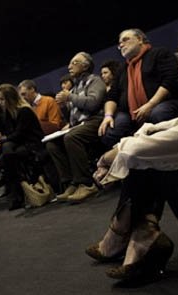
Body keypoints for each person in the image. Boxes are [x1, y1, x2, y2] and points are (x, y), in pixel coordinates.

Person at [86, 23, 178, 281]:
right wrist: (127, 144)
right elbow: (159, 130)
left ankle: (123, 234)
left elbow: (153, 146)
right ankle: (139, 237)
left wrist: (110, 155)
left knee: (151, 157)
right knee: (147, 147)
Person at [98, 28, 178, 149]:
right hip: (131, 112)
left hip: (163, 102)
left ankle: (168, 153)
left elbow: (170, 80)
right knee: (109, 131)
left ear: (140, 39)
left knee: (158, 113)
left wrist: (150, 104)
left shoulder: (159, 53)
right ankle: (127, 160)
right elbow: (112, 95)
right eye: (120, 44)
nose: (122, 44)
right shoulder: (122, 69)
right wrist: (108, 116)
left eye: (125, 40)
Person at [46, 51, 107, 202]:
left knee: (72, 137)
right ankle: (72, 183)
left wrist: (69, 97)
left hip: (95, 120)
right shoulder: (75, 87)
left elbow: (93, 103)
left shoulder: (95, 80)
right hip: (79, 125)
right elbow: (74, 113)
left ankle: (86, 184)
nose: (69, 66)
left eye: (74, 63)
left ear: (85, 66)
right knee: (52, 144)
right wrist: (64, 105)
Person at [0, 84, 45, 210]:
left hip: (32, 143)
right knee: (7, 152)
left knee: (7, 154)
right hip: (20, 143)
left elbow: (20, 134)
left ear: (10, 99)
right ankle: (19, 191)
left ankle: (17, 193)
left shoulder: (24, 111)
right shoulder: (9, 113)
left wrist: (0, 139)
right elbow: (12, 133)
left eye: (2, 99)